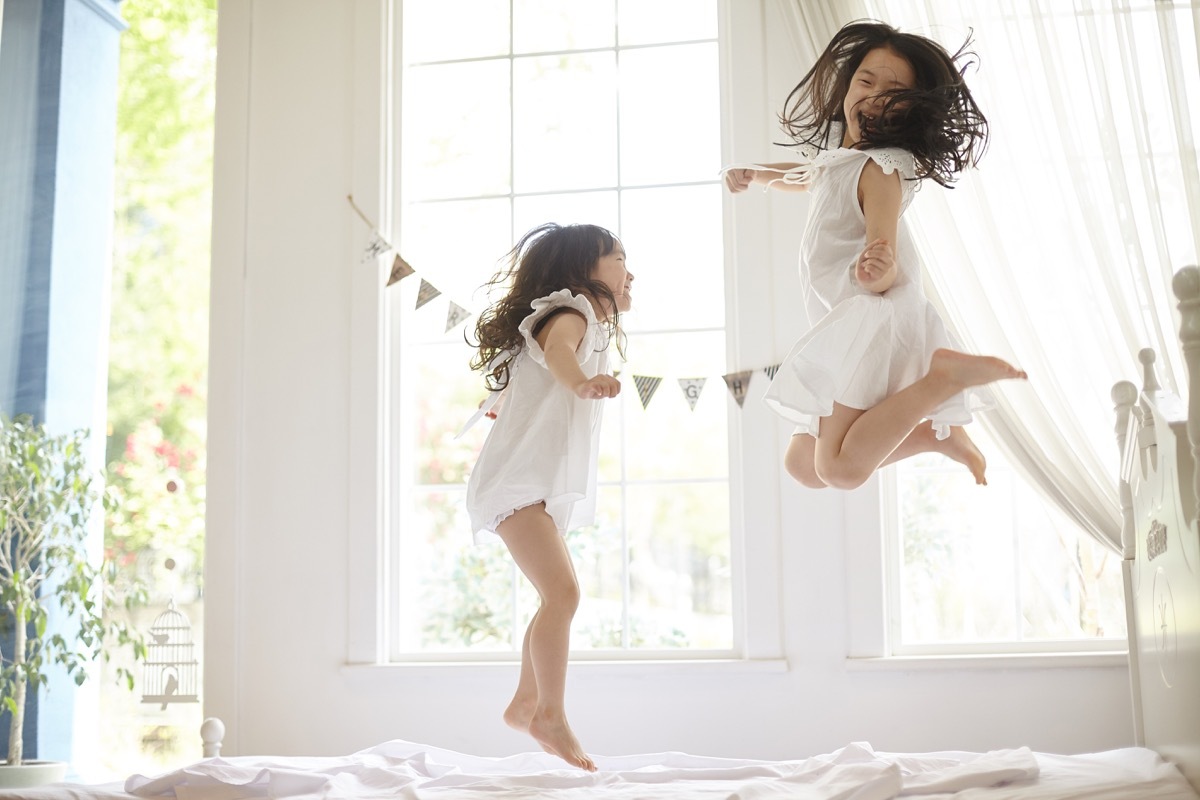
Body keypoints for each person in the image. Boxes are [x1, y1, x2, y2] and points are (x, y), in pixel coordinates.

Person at [723, 20, 1026, 490]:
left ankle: (942, 379)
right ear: (847, 87)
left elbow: (885, 253)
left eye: (894, 90)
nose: (875, 95)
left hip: (871, 319)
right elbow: (807, 175)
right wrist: (757, 174)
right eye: (866, 80)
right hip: (847, 317)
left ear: (910, 108)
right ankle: (932, 436)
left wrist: (876, 271)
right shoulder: (839, 159)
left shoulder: (881, 169)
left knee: (839, 469)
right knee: (803, 464)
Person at [464, 222, 633, 772]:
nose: (630, 274)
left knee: (555, 596)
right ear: (583, 270)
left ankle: (525, 702)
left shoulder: (588, 324)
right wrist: (579, 381)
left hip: (523, 482)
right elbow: (559, 350)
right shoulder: (571, 313)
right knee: (563, 595)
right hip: (516, 483)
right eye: (619, 260)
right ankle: (550, 713)